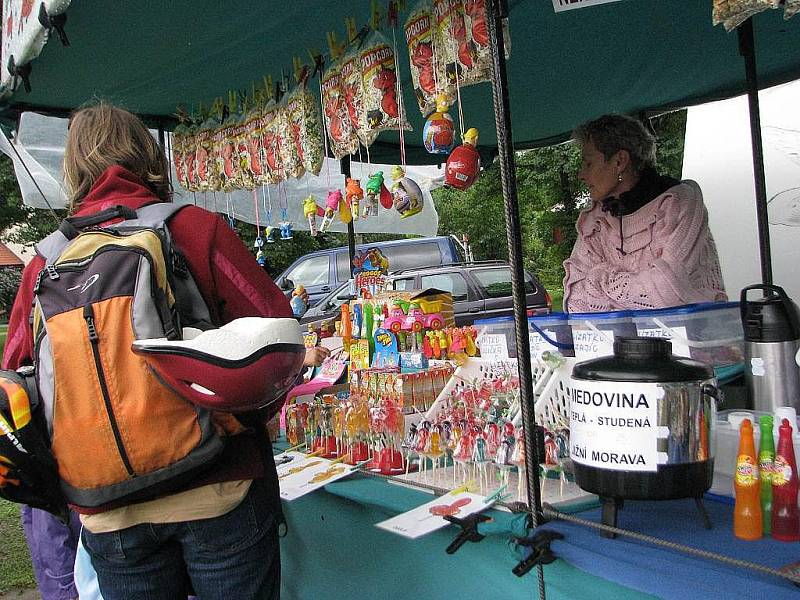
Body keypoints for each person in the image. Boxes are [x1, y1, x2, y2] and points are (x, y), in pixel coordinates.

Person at [3, 102, 292, 600]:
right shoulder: (195, 228)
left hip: (109, 510)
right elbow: (279, 335)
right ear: (147, 154)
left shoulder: (44, 263)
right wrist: (246, 420)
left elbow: (14, 378)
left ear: (73, 169)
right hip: (218, 488)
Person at [563, 113, 727, 313]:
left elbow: (668, 293)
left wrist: (599, 277)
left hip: (691, 339)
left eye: (588, 163)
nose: (581, 174)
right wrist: (640, 286)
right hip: (623, 343)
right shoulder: (596, 220)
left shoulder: (676, 203)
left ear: (619, 161)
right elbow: (576, 303)